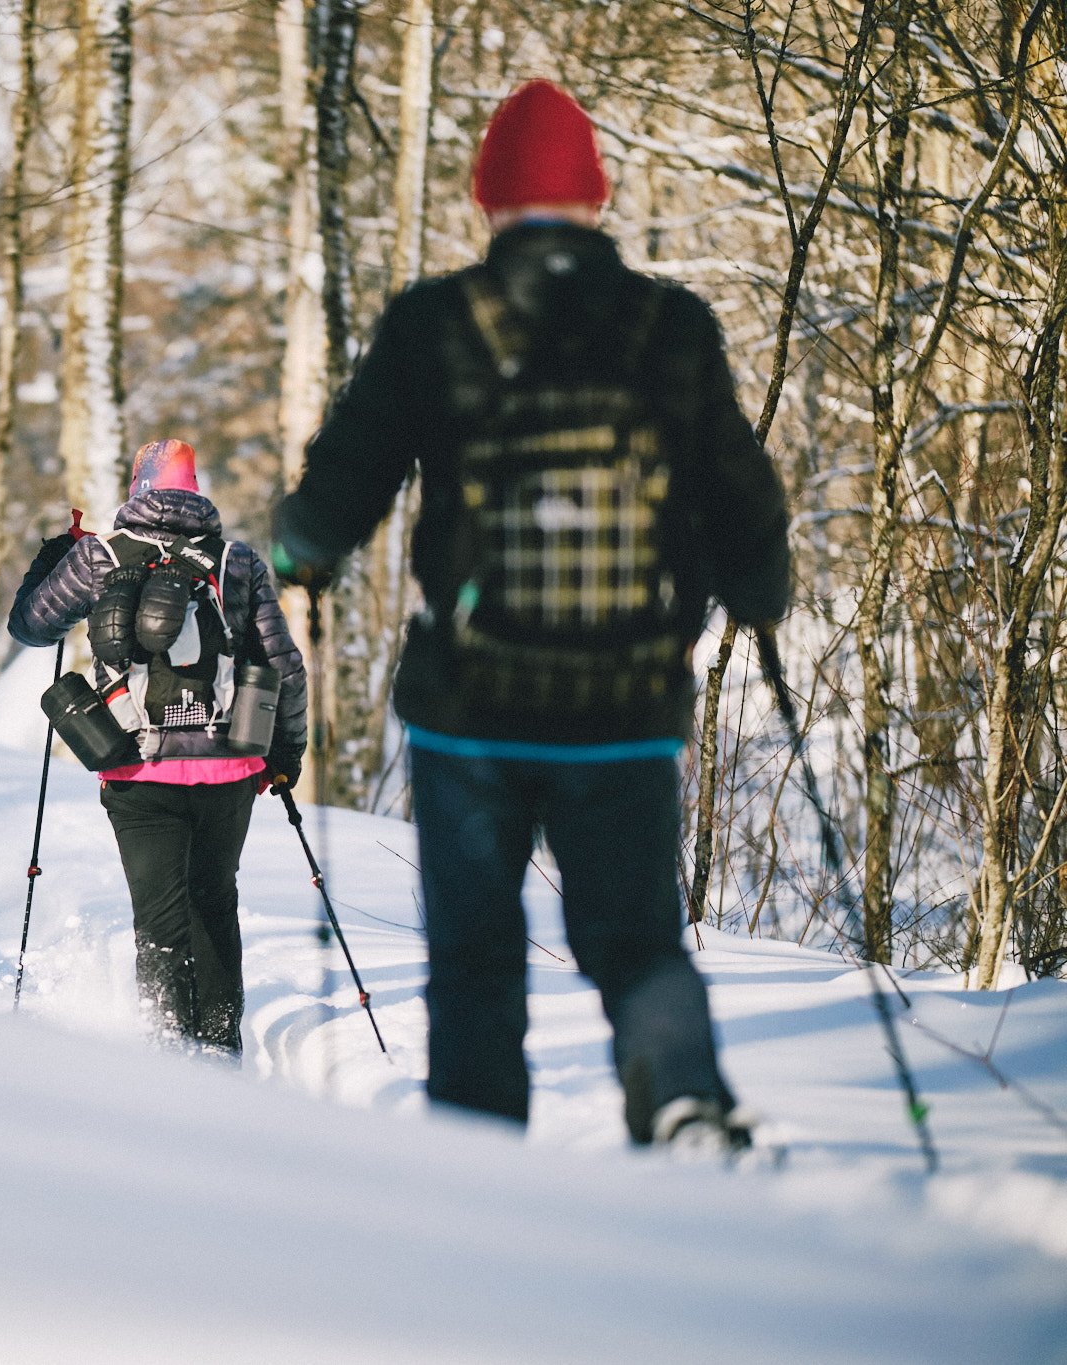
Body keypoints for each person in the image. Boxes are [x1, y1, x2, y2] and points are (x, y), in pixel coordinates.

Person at [272, 80, 790, 1150]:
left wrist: (299, 558)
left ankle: (475, 1163)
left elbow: (345, 477)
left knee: (472, 952)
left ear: (488, 201)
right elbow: (738, 489)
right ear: (593, 201)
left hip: (471, 707)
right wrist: (758, 595)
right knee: (636, 937)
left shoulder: (434, 323)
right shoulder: (670, 327)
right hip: (626, 702)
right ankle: (683, 1100)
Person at [9, 439, 308, 1054]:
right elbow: (285, 667)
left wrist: (53, 557)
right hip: (230, 768)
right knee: (215, 905)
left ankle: (170, 1052)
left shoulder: (99, 556)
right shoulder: (237, 561)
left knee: (161, 920)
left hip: (135, 768)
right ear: (195, 490)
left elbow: (32, 627)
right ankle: (222, 1049)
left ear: (137, 487)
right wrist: (285, 755)